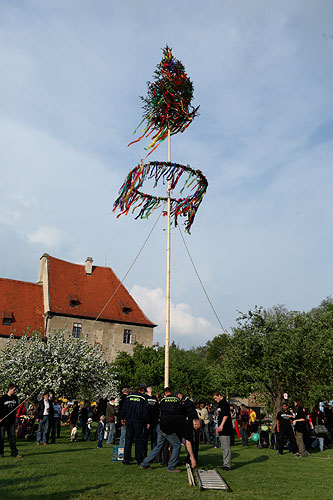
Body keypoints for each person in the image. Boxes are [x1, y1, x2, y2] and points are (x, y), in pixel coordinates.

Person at [121, 384, 149, 465]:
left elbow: (124, 409)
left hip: (129, 421)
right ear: (143, 390)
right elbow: (145, 412)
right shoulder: (143, 398)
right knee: (138, 441)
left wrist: (122, 418)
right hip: (138, 422)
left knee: (128, 440)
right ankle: (139, 459)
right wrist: (147, 422)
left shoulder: (129, 397)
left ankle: (126, 459)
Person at [0, 383, 22, 458]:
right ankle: (1, 453)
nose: (14, 391)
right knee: (1, 438)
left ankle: (14, 453)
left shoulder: (15, 398)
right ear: (9, 389)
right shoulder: (3, 398)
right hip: (3, 422)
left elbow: (16, 408)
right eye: (14, 390)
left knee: (12, 438)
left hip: (11, 421)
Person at [213, 391, 233, 471]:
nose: (215, 400)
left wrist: (221, 425)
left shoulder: (224, 403)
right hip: (221, 427)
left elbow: (226, 415)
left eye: (215, 398)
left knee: (225, 447)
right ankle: (225, 463)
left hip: (225, 428)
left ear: (219, 395)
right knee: (223, 447)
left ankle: (227, 465)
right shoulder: (220, 404)